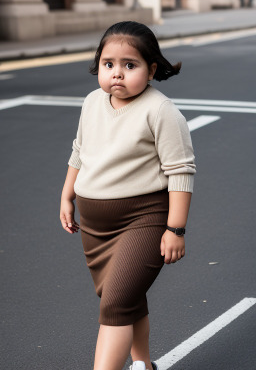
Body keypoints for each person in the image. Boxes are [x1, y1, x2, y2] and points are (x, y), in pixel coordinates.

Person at [60, 21, 196, 370]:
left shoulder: (161, 111)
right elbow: (80, 151)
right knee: (123, 300)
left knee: (116, 304)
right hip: (95, 227)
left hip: (144, 219)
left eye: (129, 65)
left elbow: (180, 171)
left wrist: (175, 229)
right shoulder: (92, 102)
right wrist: (67, 196)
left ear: (151, 69)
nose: (117, 74)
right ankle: (144, 365)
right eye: (109, 64)